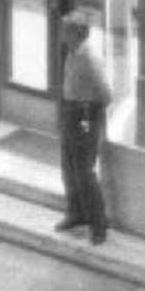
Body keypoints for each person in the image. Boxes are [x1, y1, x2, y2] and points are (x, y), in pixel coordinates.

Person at [54, 13, 111, 245]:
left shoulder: (89, 57)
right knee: (68, 166)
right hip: (70, 111)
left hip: (84, 116)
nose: (61, 34)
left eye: (65, 30)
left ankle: (99, 225)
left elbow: (105, 93)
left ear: (77, 32)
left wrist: (90, 115)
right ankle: (75, 213)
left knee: (84, 171)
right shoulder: (73, 51)